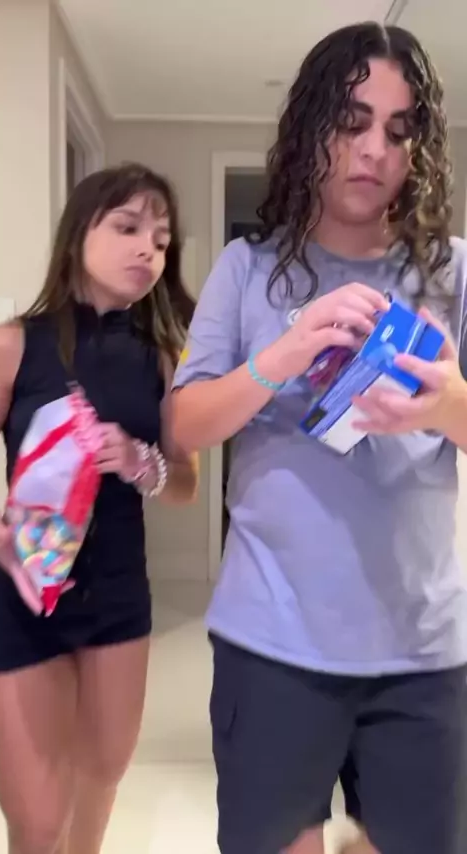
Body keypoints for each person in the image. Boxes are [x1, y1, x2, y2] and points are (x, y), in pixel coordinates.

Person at [171, 22, 467, 854]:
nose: (373, 150)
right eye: (352, 121)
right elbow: (184, 425)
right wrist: (283, 355)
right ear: (310, 128)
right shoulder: (246, 268)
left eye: (398, 131)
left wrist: (446, 405)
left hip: (421, 650)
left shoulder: (454, 271)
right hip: (271, 641)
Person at [0, 162, 198, 854]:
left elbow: (186, 485)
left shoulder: (161, 358)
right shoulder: (11, 345)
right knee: (37, 822)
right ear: (79, 233)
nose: (148, 251)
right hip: (24, 597)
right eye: (128, 228)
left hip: (118, 598)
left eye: (161, 241)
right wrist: (0, 541)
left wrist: (143, 463)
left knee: (97, 789)